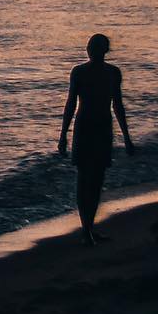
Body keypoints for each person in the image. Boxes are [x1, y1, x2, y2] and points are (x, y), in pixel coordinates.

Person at [60, 33, 135, 245]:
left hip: (100, 128)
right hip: (86, 127)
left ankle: (89, 229)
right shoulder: (80, 72)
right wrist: (63, 135)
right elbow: (70, 105)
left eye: (92, 47)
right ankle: (87, 231)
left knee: (95, 180)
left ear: (99, 50)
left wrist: (127, 138)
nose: (89, 50)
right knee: (86, 180)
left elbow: (118, 105)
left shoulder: (112, 73)